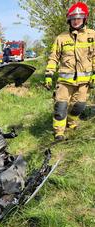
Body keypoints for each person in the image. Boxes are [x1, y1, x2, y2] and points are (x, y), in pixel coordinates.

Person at [45, 2, 95, 141]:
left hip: (84, 81)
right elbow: (53, 57)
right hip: (65, 82)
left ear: (84, 19)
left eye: (79, 18)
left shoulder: (92, 35)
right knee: (61, 107)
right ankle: (59, 132)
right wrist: (49, 74)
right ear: (69, 20)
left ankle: (72, 122)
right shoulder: (61, 38)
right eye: (73, 18)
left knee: (79, 106)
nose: (76, 21)